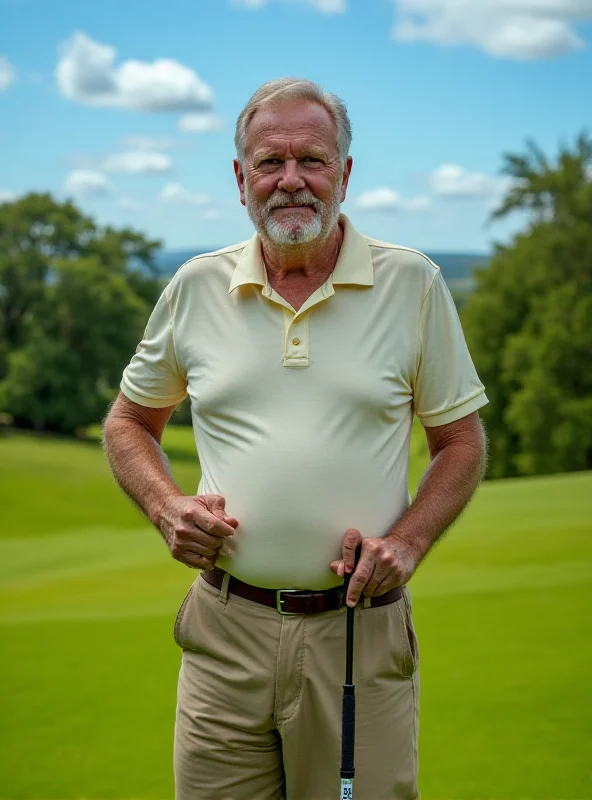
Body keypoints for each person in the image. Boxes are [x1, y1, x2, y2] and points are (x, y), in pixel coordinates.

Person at [103, 77, 488, 800]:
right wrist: (164, 506)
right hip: (223, 631)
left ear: (344, 173)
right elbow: (128, 422)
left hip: (356, 634)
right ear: (240, 179)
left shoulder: (414, 284)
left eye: (311, 160)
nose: (290, 182)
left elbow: (461, 442)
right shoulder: (192, 286)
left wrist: (406, 542)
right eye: (269, 163)